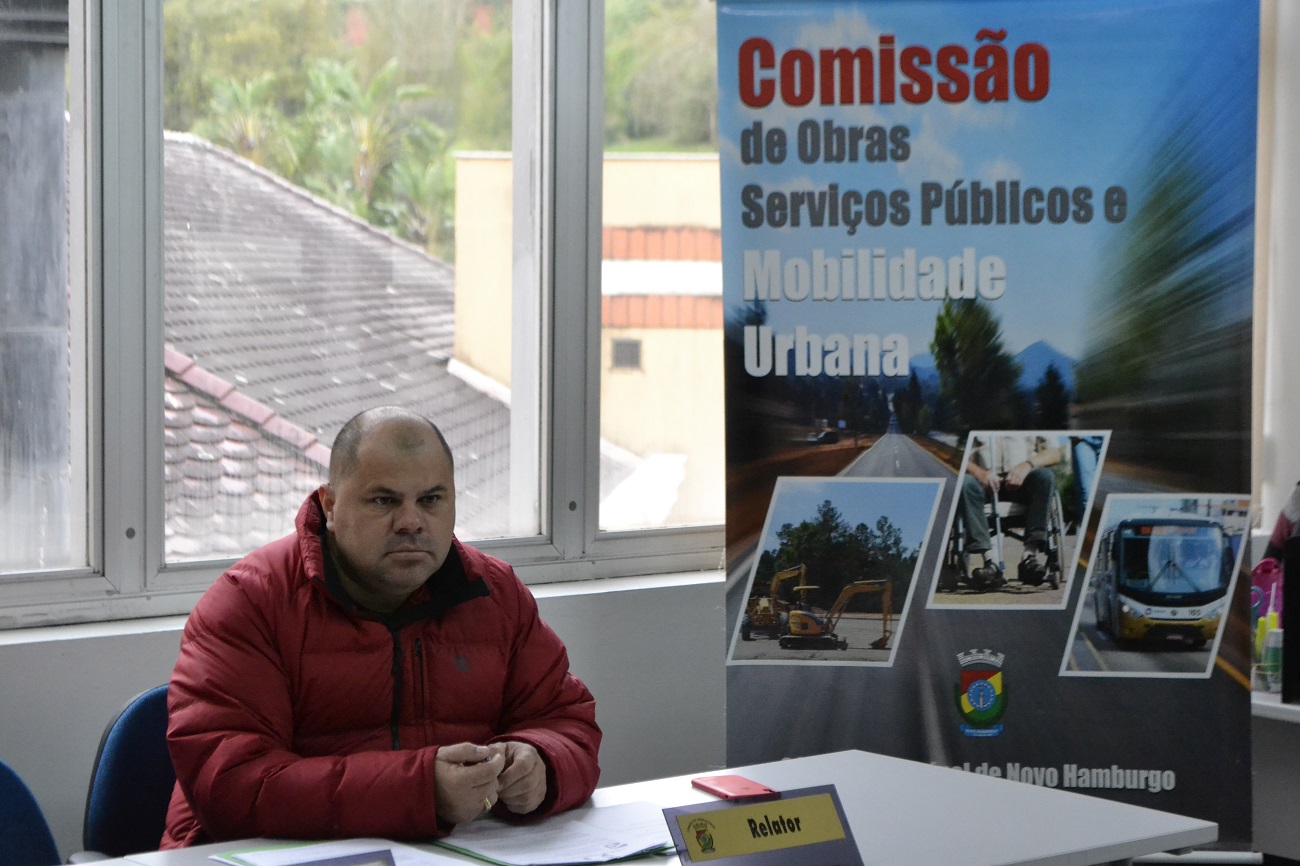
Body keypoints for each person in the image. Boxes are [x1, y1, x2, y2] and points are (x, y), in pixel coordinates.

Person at [161, 407, 601, 847]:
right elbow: (233, 787)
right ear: (330, 506)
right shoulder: (249, 602)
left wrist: (542, 763)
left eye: (431, 500)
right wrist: (421, 791)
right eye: (384, 501)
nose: (411, 522)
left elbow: (566, 722)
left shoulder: (496, 594)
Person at [958, 434, 1063, 587]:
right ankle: (990, 562)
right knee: (965, 482)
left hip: (1024, 480)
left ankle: (1029, 558)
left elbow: (1054, 453)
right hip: (984, 483)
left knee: (1045, 476)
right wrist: (980, 473)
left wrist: (1027, 465)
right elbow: (953, 455)